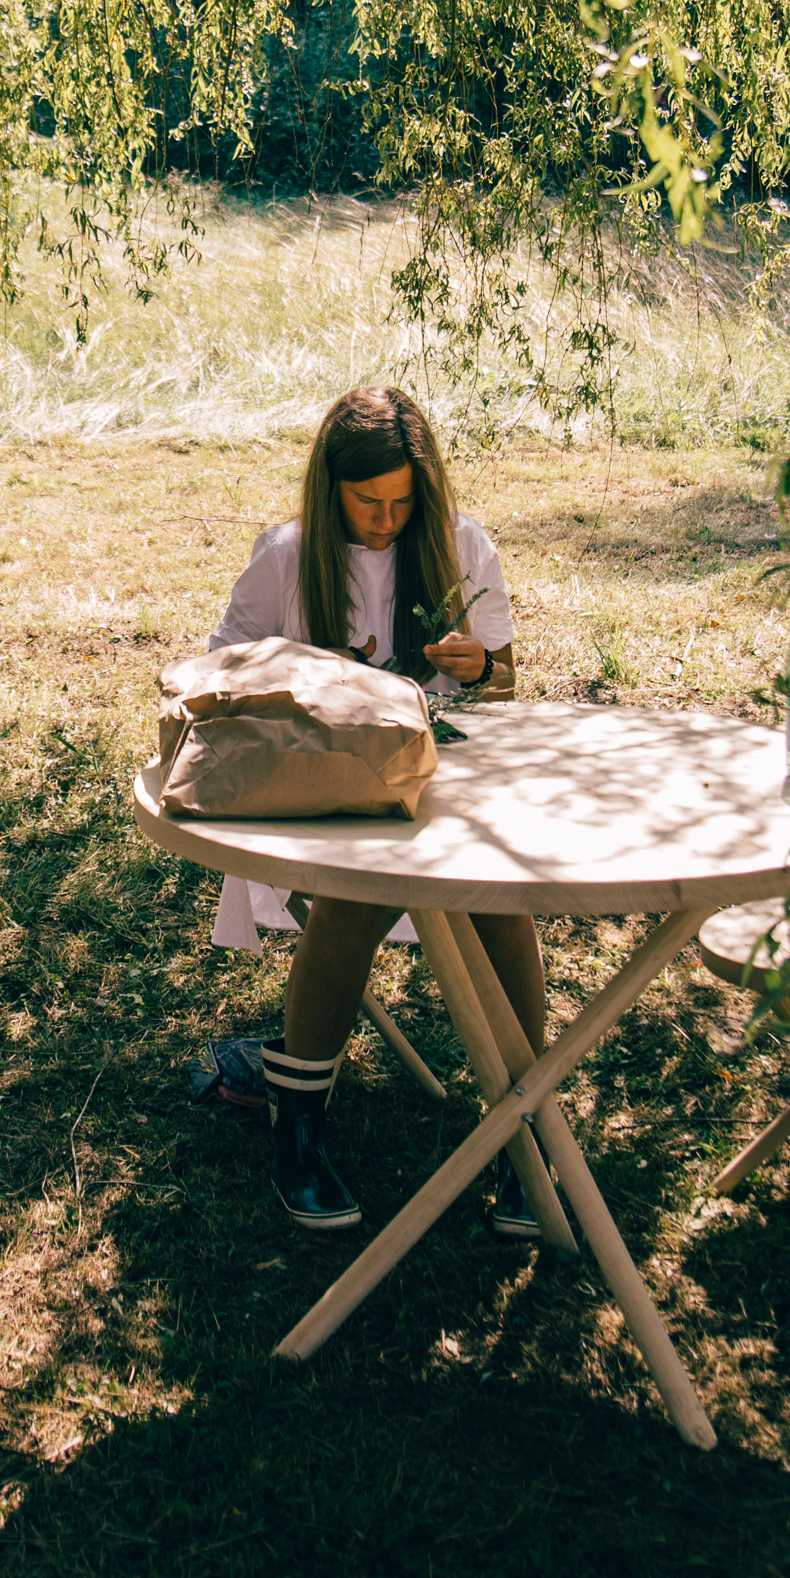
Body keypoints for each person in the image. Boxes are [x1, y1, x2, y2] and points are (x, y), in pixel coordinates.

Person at [205, 383, 545, 1237]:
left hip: (442, 782)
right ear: (331, 489)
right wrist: (304, 676)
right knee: (353, 896)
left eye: (403, 502)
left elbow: (503, 680)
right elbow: (221, 668)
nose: (387, 521)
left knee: (502, 903)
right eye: (369, 502)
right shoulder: (285, 556)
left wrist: (476, 670)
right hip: (328, 786)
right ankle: (300, 1131)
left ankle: (525, 1135)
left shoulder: (462, 545)